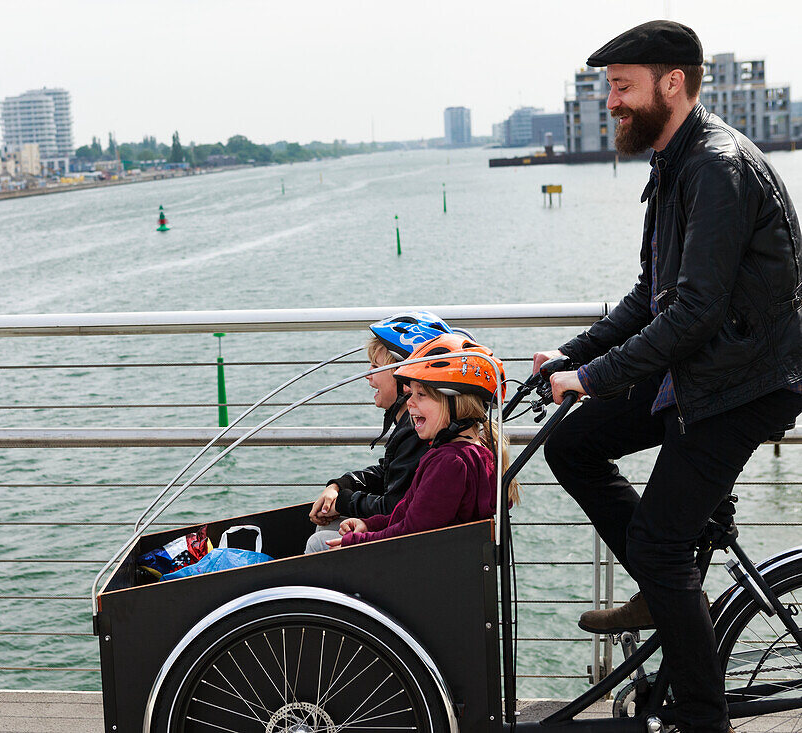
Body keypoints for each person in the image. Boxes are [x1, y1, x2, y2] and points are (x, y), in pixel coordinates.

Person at [535, 20, 802, 733]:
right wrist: (573, 356)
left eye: (622, 87)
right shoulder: (675, 161)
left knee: (657, 541)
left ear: (672, 83)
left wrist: (593, 376)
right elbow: (648, 293)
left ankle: (702, 717)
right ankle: (665, 588)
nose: (613, 102)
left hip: (744, 383)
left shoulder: (715, 166)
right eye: (609, 89)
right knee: (573, 446)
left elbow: (692, 312)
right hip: (700, 371)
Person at [317, 333, 519, 549]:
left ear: (454, 402)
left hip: (419, 565)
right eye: (411, 393)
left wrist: (356, 540)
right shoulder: (478, 451)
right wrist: (368, 524)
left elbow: (411, 533)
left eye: (421, 394)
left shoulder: (449, 462)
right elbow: (407, 514)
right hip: (442, 559)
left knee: (318, 542)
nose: (410, 402)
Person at [304, 312, 450, 554]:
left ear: (405, 375)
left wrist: (342, 502)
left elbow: (395, 505)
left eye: (375, 367)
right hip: (405, 533)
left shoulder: (418, 432)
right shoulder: (413, 424)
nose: (368, 377)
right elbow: (389, 473)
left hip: (410, 546)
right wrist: (342, 485)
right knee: (326, 529)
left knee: (319, 542)